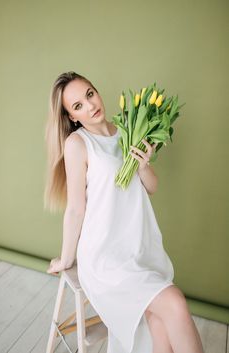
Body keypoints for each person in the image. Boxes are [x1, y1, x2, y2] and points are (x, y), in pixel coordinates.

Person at [44, 71, 204, 353]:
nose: (91, 105)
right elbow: (75, 210)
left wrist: (143, 164)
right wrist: (66, 259)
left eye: (90, 94)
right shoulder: (78, 144)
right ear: (72, 117)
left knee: (159, 321)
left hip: (140, 245)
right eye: (78, 105)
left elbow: (150, 187)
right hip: (106, 256)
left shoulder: (127, 129)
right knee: (174, 302)